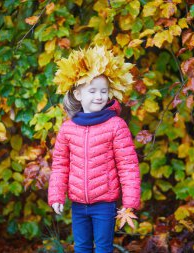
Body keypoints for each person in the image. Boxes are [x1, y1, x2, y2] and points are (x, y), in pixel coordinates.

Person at [48, 46, 141, 253]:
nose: (99, 96)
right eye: (92, 91)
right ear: (78, 94)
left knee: (103, 248)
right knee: (81, 246)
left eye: (103, 91)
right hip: (78, 204)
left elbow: (128, 166)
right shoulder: (68, 129)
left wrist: (129, 202)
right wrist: (56, 195)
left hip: (105, 204)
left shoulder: (116, 126)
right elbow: (60, 166)